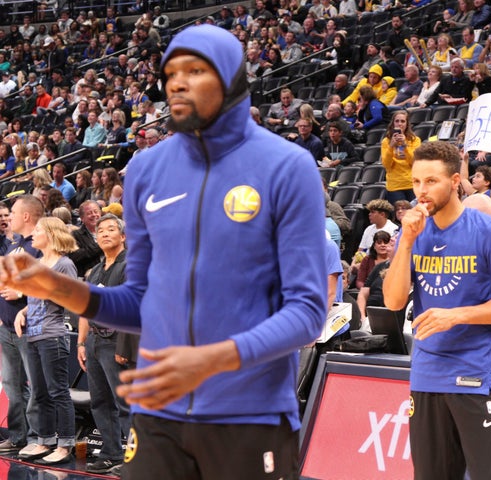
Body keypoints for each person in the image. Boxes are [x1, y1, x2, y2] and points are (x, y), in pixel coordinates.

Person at [0, 25, 327, 480]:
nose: (176, 81)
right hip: (157, 413)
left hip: (248, 414)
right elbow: (141, 300)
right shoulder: (147, 171)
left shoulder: (287, 167)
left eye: (195, 70)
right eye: (171, 72)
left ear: (232, 79)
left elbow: (309, 311)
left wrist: (213, 358)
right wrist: (56, 286)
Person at [383, 141, 491, 480]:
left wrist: (458, 314)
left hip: (477, 378)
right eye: (417, 182)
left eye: (431, 181)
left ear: (454, 182)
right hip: (426, 376)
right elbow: (392, 302)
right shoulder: (414, 234)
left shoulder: (490, 232)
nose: (422, 191)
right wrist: (405, 242)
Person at [76, 214, 138, 474]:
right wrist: (81, 343)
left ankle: (135, 460)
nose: (104, 233)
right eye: (100, 230)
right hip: (93, 342)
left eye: (111, 229)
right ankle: (112, 452)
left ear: (123, 236)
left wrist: (124, 347)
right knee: (100, 402)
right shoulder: (95, 270)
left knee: (125, 405)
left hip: (117, 343)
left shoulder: (130, 267)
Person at [14, 217, 77, 465]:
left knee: (58, 391)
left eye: (38, 230)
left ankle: (66, 443)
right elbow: (35, 301)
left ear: (51, 234)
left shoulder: (65, 264)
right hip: (34, 334)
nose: (33, 234)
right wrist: (22, 312)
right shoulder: (38, 263)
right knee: (40, 392)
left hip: (53, 335)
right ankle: (45, 439)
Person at [0, 195, 43, 454]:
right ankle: (18, 436)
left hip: (30, 326)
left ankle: (39, 436)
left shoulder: (38, 245)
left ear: (26, 216)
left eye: (13, 213)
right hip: (6, 325)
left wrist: (22, 293)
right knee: (11, 384)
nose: (9, 218)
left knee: (35, 385)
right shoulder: (13, 245)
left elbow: (50, 282)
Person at [381, 110, 421, 203]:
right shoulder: (386, 141)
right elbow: (386, 165)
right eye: (397, 121)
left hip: (412, 183)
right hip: (395, 185)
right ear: (393, 123)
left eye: (403, 121)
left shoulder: (415, 140)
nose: (399, 124)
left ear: (407, 124)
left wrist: (405, 145)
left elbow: (415, 162)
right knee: (400, 215)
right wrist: (391, 146)